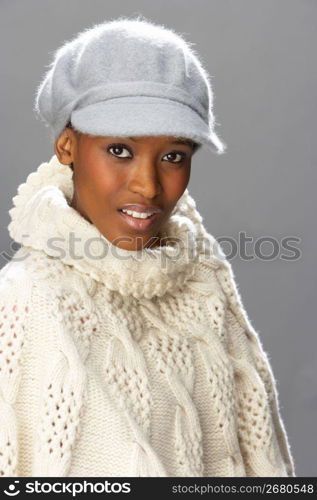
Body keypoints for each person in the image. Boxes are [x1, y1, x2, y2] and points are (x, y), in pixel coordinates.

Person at [0, 15, 295, 477]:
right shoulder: (24, 300)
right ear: (67, 147)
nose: (149, 185)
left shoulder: (204, 281)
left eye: (173, 156)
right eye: (120, 150)